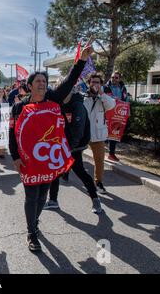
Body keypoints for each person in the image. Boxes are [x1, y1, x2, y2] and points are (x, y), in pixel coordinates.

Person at [9, 39, 93, 252]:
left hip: (48, 159)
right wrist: (15, 157)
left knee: (43, 195)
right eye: (38, 81)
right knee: (31, 196)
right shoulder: (19, 108)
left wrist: (81, 61)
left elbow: (70, 81)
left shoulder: (54, 99)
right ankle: (31, 233)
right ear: (29, 85)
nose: (42, 84)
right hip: (28, 160)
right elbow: (12, 134)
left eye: (44, 81)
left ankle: (34, 222)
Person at [44, 83, 104, 214]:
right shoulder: (59, 103)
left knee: (80, 171)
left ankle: (95, 199)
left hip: (75, 146)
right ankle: (53, 201)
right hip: (63, 144)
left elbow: (78, 132)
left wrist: (68, 149)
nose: (58, 94)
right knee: (55, 172)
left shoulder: (78, 106)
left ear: (69, 91)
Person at [84, 73, 116, 194]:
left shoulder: (103, 98)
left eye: (98, 82)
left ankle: (98, 182)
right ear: (89, 83)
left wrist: (101, 94)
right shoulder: (83, 97)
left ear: (101, 84)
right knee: (74, 157)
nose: (95, 84)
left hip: (98, 134)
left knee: (99, 160)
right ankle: (67, 172)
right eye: (93, 82)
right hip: (84, 134)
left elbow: (112, 105)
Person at [104, 71, 129, 162]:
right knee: (103, 133)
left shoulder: (123, 88)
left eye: (116, 77)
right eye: (113, 77)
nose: (114, 79)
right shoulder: (106, 87)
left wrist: (127, 112)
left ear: (120, 79)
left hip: (118, 114)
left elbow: (126, 100)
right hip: (107, 112)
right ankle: (100, 151)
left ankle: (111, 154)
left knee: (115, 133)